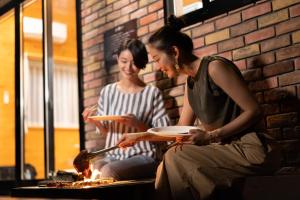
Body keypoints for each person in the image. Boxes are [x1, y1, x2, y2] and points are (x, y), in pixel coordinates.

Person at [118, 15, 282, 199]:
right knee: (173, 154)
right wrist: (139, 136)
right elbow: (180, 131)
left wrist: (210, 136)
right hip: (224, 148)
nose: (158, 66)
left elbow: (254, 111)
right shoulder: (190, 83)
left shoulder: (215, 67)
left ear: (174, 51)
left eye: (157, 59)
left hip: (251, 148)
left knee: (175, 158)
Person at [82, 39, 170, 180]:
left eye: (134, 62)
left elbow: (164, 136)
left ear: (141, 64)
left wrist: (137, 124)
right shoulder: (108, 91)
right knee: (92, 170)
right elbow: (106, 131)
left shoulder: (152, 93)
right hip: (114, 155)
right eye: (124, 61)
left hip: (144, 155)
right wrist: (93, 120)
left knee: (108, 171)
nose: (128, 67)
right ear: (117, 59)